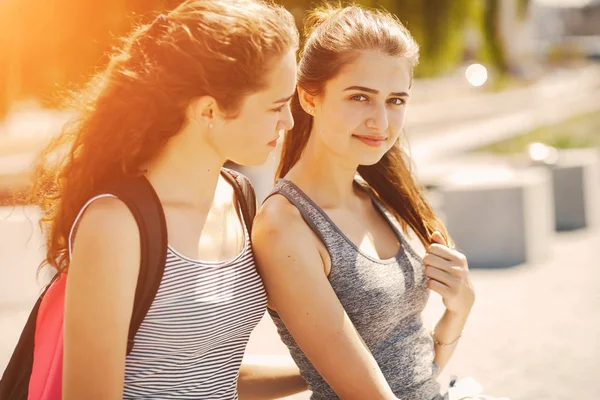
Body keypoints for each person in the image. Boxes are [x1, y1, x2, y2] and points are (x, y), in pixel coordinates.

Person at [30, 0, 305, 398]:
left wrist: (324, 369)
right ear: (209, 110)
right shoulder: (116, 225)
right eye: (276, 106)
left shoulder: (240, 198)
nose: (289, 122)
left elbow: (202, 371)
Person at [252, 5, 475, 400]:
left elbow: (416, 370)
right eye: (360, 97)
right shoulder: (285, 225)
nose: (381, 122)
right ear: (308, 98)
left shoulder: (379, 198)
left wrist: (459, 305)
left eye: (395, 101)